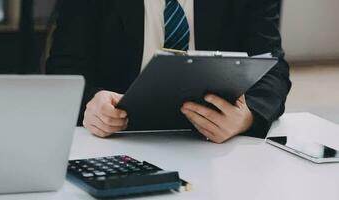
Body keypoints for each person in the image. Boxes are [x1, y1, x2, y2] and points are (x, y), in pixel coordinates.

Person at [46, 0, 291, 143]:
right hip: (119, 139)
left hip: (212, 140)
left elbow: (273, 67)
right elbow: (64, 69)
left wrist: (247, 117)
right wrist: (91, 100)